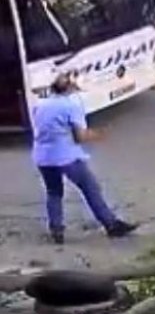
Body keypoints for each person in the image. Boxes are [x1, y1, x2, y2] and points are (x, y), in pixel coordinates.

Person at [30, 73, 135, 244]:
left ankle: (56, 230)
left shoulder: (41, 104)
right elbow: (80, 136)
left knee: (53, 191)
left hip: (42, 156)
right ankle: (111, 224)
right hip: (66, 156)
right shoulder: (72, 105)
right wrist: (99, 134)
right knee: (90, 187)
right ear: (72, 88)